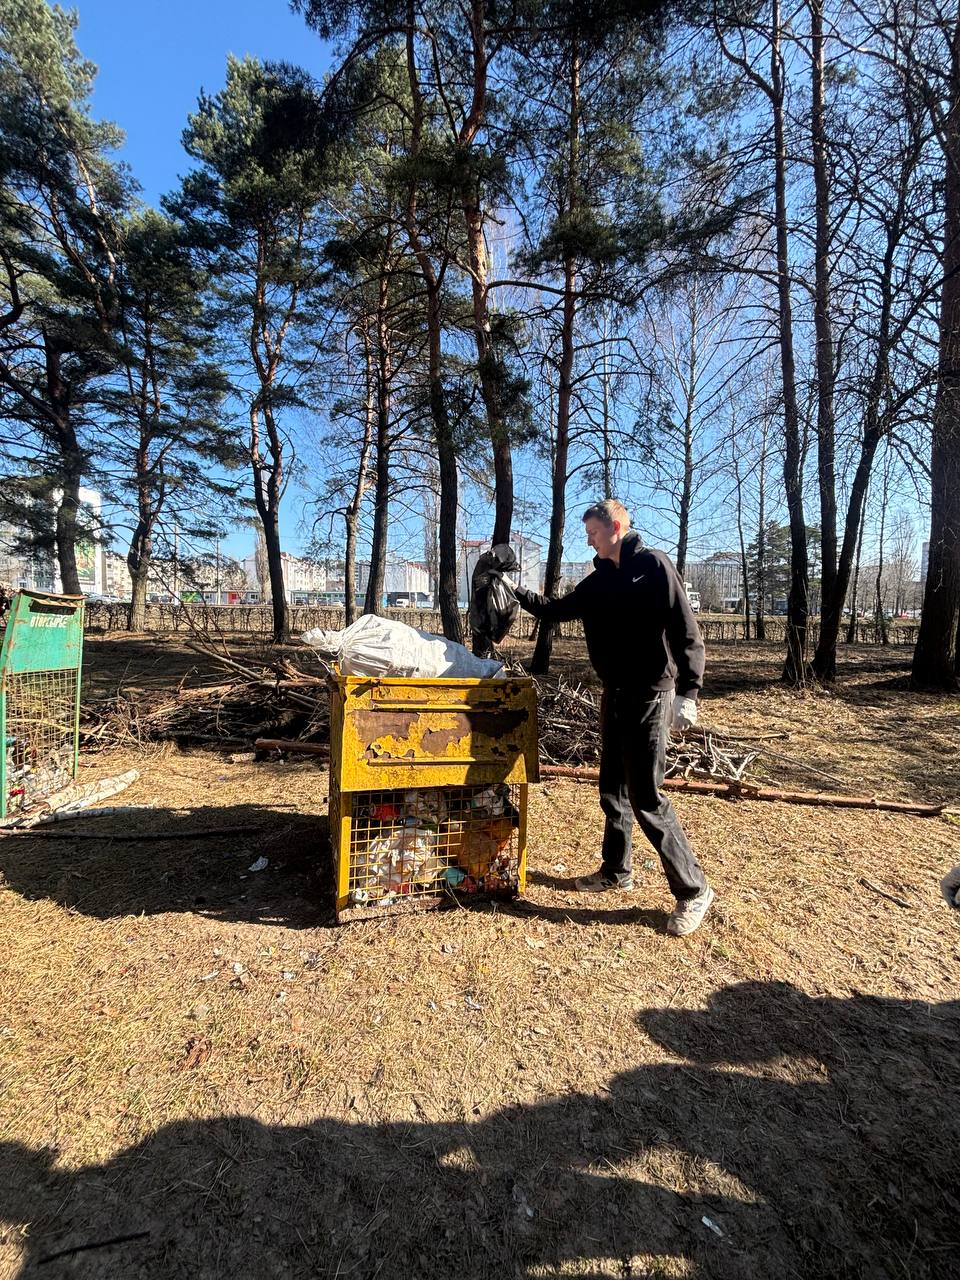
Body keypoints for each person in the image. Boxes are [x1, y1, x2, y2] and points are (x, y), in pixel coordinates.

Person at [514, 499, 714, 936]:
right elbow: (554, 609)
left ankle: (694, 890)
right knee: (613, 788)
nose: (588, 540)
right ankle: (616, 871)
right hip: (616, 694)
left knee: (646, 796)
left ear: (616, 528)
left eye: (593, 532)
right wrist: (513, 590)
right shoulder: (600, 580)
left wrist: (689, 692)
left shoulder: (654, 566)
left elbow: (685, 629)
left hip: (651, 694)